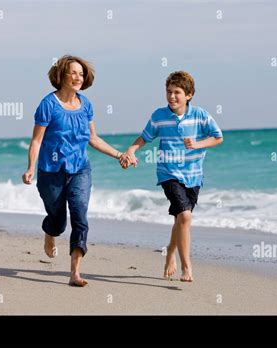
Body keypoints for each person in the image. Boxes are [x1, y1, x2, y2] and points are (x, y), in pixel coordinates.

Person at [22, 55, 136, 287]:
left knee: (80, 215)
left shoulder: (86, 105)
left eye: (81, 74)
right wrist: (31, 167)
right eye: (73, 72)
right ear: (61, 75)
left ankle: (74, 273)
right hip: (51, 171)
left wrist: (119, 155)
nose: (78, 77)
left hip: (80, 170)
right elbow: (36, 141)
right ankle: (50, 233)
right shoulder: (48, 105)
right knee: (58, 221)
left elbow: (93, 139)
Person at [120, 71, 223, 282]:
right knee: (185, 216)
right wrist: (131, 150)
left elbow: (217, 137)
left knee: (180, 219)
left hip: (194, 175)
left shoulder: (201, 115)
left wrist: (197, 144)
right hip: (168, 173)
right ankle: (187, 267)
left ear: (189, 95)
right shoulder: (159, 116)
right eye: (168, 92)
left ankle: (170, 251)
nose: (172, 96)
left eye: (177, 92)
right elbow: (145, 137)